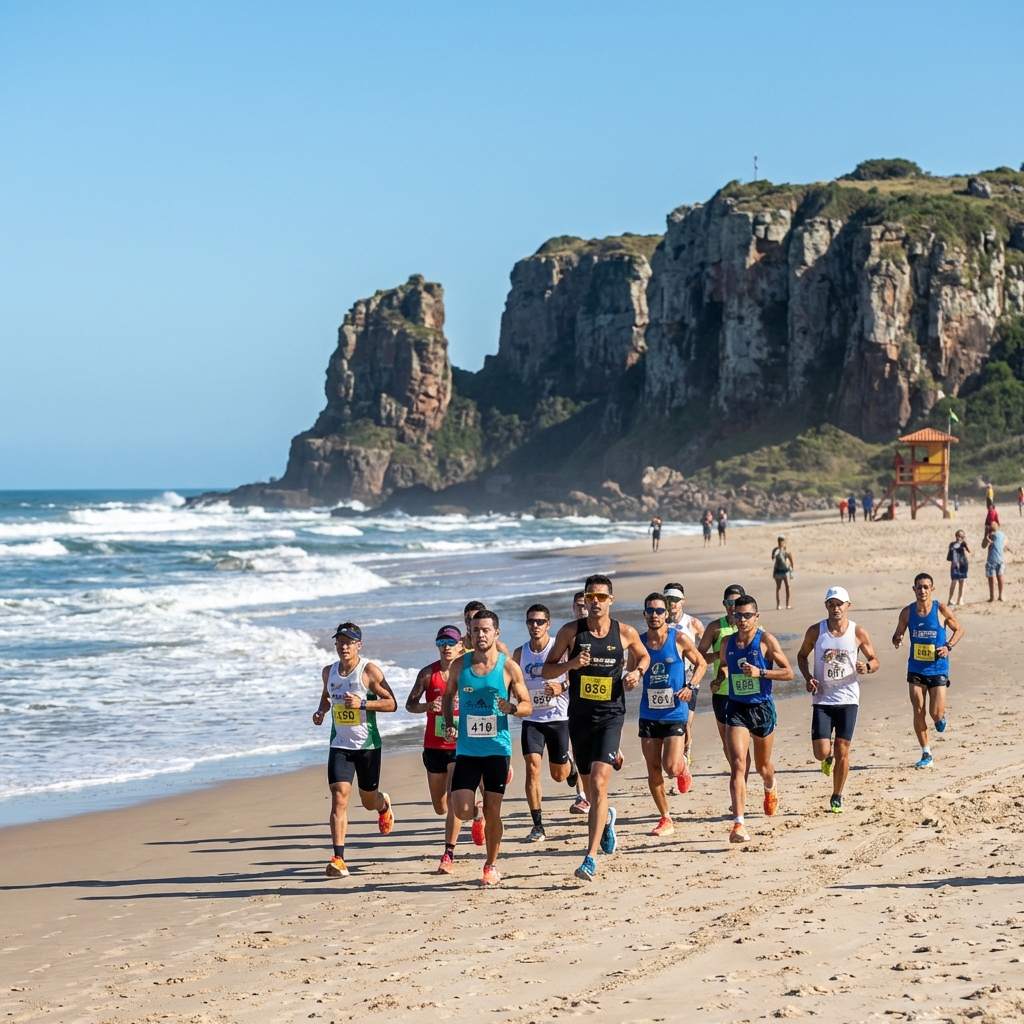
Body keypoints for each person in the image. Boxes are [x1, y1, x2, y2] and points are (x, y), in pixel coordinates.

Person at [542, 574, 649, 882]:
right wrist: (571, 665)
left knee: (600, 784)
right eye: (590, 597)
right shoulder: (570, 632)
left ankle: (589, 858)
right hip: (579, 718)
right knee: (590, 789)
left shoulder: (624, 632)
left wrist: (637, 673)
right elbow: (547, 669)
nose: (595, 602)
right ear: (585, 600)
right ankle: (606, 821)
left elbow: (644, 656)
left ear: (610, 600)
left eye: (601, 597)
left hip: (611, 716)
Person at [442, 610, 532, 886]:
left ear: (496, 633)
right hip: (467, 750)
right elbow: (448, 697)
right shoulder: (460, 666)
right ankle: (475, 815)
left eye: (486, 630)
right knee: (460, 809)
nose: (481, 635)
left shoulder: (508, 668)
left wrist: (513, 708)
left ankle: (491, 865)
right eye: (476, 630)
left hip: (497, 750)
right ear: (469, 634)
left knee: (495, 810)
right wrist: (449, 723)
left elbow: (527, 705)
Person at [312, 623, 398, 878]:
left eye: (349, 642)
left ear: (359, 645)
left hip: (367, 746)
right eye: (340, 641)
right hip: (339, 744)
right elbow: (327, 697)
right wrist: (320, 712)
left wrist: (363, 703)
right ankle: (339, 858)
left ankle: (383, 806)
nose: (344, 646)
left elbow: (392, 703)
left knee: (368, 800)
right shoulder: (329, 672)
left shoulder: (368, 671)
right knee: (339, 796)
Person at [795, 587, 879, 814]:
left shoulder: (858, 632)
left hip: (848, 698)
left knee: (844, 749)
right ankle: (827, 757)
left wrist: (867, 667)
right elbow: (802, 656)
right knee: (821, 752)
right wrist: (808, 677)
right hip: (822, 699)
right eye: (831, 604)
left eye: (840, 604)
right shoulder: (816, 631)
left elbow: (874, 660)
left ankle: (837, 795)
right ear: (826, 607)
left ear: (848, 606)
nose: (836, 608)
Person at [721, 595, 794, 842]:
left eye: (747, 615)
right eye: (737, 615)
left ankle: (770, 786)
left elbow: (789, 673)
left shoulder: (766, 641)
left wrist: (760, 672)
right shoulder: (727, 642)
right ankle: (738, 824)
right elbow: (724, 665)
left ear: (756, 616)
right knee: (738, 764)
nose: (742, 620)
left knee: (763, 766)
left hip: (761, 708)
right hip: (737, 708)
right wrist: (720, 679)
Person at [639, 593, 706, 835]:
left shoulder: (678, 639)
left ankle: (682, 769)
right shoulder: (639, 643)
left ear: (666, 614)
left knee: (670, 766)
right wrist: (630, 679)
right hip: (648, 712)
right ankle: (665, 817)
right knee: (652, 766)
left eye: (659, 611)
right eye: (650, 611)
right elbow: (630, 672)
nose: (655, 615)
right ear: (644, 614)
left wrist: (691, 687)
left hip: (675, 711)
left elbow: (702, 664)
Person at [513, 604, 582, 842]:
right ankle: (538, 825)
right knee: (532, 768)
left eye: (540, 622)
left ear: (548, 625)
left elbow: (579, 676)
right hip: (531, 719)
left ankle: (569, 765)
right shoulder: (520, 654)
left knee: (558, 776)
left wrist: (562, 686)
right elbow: (513, 682)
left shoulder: (559, 648)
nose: (535, 626)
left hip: (557, 718)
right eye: (531, 621)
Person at [405, 624, 465, 873]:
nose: (447, 647)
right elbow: (409, 705)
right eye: (442, 643)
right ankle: (476, 808)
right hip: (433, 745)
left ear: (461, 645)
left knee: (452, 800)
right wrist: (428, 707)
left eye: (451, 643)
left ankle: (448, 853)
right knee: (440, 806)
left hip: (460, 745)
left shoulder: (468, 672)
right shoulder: (428, 673)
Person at [892, 573, 963, 768]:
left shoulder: (941, 610)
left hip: (938, 668)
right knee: (918, 709)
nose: (922, 590)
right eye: (919, 587)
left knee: (935, 713)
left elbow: (959, 630)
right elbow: (897, 634)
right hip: (916, 668)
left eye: (926, 587)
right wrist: (897, 639)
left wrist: (948, 647)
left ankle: (941, 718)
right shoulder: (907, 612)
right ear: (913, 589)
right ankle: (926, 753)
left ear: (932, 589)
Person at [697, 584, 751, 787]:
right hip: (722, 692)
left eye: (736, 603)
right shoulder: (715, 628)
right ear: (724, 604)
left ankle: (741, 784)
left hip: (747, 692)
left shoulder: (753, 628)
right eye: (729, 603)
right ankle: (740, 780)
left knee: (743, 748)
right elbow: (699, 655)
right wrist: (720, 655)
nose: (732, 607)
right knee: (729, 746)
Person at [663, 582, 704, 765]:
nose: (671, 603)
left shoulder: (693, 623)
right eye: (668, 599)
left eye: (675, 600)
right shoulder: (658, 622)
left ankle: (685, 753)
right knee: (667, 723)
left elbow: (708, 646)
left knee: (686, 723)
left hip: (688, 679)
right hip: (665, 679)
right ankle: (674, 756)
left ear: (682, 602)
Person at [982, 525, 1008, 602]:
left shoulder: (990, 536)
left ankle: (992, 597)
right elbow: (1006, 541)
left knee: (991, 579)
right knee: (1000, 577)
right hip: (1000, 559)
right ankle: (1001, 595)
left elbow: (983, 546)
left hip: (991, 560)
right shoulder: (1002, 534)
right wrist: (1003, 546)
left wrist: (985, 535)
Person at [946, 530, 970, 606]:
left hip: (962, 565)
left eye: (961, 536)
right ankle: (950, 599)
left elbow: (968, 552)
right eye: (958, 536)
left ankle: (960, 599)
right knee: (954, 582)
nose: (959, 537)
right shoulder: (953, 545)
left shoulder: (962, 545)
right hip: (955, 566)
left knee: (961, 582)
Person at [771, 536, 794, 610]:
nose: (780, 542)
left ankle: (788, 604)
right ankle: (778, 604)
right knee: (778, 587)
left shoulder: (787, 551)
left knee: (788, 587)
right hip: (778, 571)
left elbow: (791, 560)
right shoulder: (776, 550)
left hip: (786, 571)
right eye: (779, 541)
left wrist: (791, 569)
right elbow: (772, 558)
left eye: (782, 541)